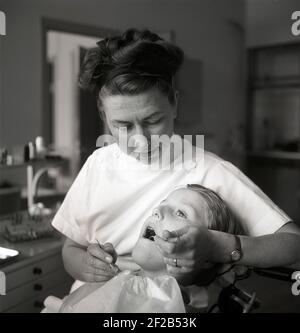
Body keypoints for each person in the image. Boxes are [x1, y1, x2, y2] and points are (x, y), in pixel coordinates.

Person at [52, 28, 300, 296]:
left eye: (153, 121)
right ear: (104, 115)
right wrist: (86, 266)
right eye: (122, 125)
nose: (141, 140)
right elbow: (70, 249)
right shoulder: (97, 165)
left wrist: (218, 246)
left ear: (175, 105)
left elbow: (292, 245)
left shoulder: (209, 171)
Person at [46, 184, 241, 313]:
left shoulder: (173, 307)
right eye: (162, 204)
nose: (157, 210)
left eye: (181, 213)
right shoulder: (120, 279)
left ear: (205, 253)